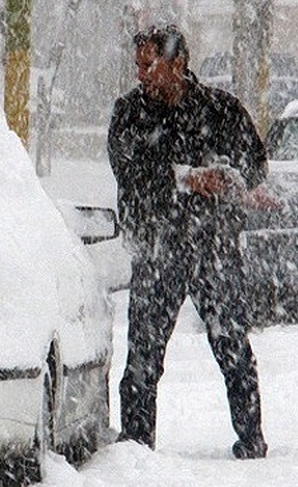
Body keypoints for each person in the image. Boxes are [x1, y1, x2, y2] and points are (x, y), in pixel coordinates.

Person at [107, 24, 269, 459]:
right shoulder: (129, 114)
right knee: (143, 355)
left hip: (213, 245)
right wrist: (187, 177)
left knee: (231, 343)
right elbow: (131, 174)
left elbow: (254, 165)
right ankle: (138, 448)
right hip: (158, 247)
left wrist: (229, 179)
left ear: (178, 63)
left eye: (149, 64)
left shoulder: (221, 111)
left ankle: (251, 440)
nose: (141, 74)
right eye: (138, 65)